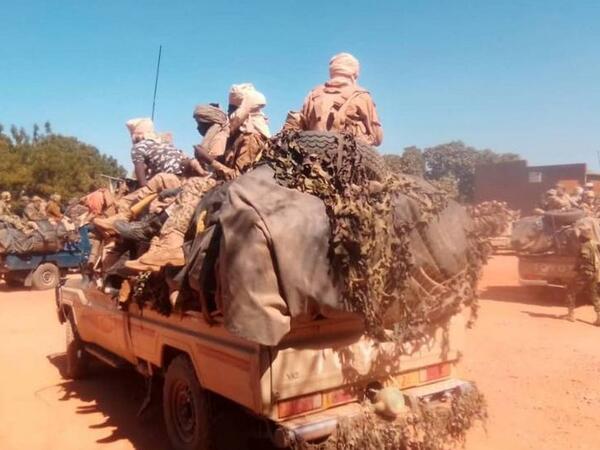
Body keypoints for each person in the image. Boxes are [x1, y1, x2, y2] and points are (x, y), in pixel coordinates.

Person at [125, 104, 232, 271]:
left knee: (188, 186)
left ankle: (168, 244)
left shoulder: (225, 138)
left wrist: (208, 159)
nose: (198, 127)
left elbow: (232, 173)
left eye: (201, 123)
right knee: (169, 195)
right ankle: (154, 244)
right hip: (207, 179)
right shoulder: (224, 137)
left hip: (220, 183)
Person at [299, 52, 383, 146]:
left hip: (312, 157)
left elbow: (299, 127)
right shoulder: (361, 96)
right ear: (354, 73)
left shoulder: (313, 94)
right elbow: (377, 137)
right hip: (349, 157)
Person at [126, 117, 189, 187]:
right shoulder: (163, 144)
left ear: (135, 136)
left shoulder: (138, 147)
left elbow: (142, 182)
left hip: (167, 180)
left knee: (128, 198)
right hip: (184, 178)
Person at [566, 226, 600, 325]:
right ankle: (599, 317)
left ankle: (570, 315)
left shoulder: (584, 246)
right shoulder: (595, 244)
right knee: (594, 294)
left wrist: (578, 268)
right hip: (595, 273)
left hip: (585, 273)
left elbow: (585, 257)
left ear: (583, 237)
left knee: (571, 290)